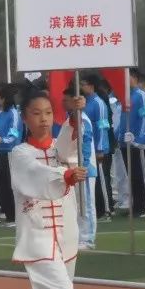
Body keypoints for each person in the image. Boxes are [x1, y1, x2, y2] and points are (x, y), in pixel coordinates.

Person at [8, 90, 87, 289]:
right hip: (38, 238)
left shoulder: (60, 148)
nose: (43, 119)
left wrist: (74, 118)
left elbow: (68, 151)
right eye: (36, 113)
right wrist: (65, 176)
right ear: (25, 118)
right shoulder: (20, 153)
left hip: (66, 237)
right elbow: (35, 175)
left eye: (48, 113)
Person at [59, 87, 98, 251]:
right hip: (71, 170)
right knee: (75, 206)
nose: (63, 102)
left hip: (83, 170)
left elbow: (86, 143)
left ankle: (87, 238)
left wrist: (84, 165)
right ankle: (78, 236)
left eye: (66, 99)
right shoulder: (68, 121)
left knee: (85, 205)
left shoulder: (83, 120)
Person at [80, 74, 114, 218]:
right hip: (89, 148)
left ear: (91, 86)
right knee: (94, 179)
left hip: (99, 148)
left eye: (83, 84)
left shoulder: (98, 103)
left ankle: (107, 208)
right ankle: (97, 208)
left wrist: (100, 149)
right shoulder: (85, 102)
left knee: (102, 179)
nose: (81, 87)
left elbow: (102, 126)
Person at [122, 69, 145, 217]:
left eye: (126, 77)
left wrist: (139, 140)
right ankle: (137, 205)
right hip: (126, 143)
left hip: (138, 144)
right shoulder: (126, 95)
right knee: (132, 176)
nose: (124, 80)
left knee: (141, 175)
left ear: (134, 77)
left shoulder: (141, 96)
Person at [0, 84, 21, 225]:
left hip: (11, 152)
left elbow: (14, 133)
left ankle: (16, 216)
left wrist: (3, 139)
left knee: (11, 184)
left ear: (3, 98)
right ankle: (8, 213)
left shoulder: (13, 113)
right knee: (1, 184)